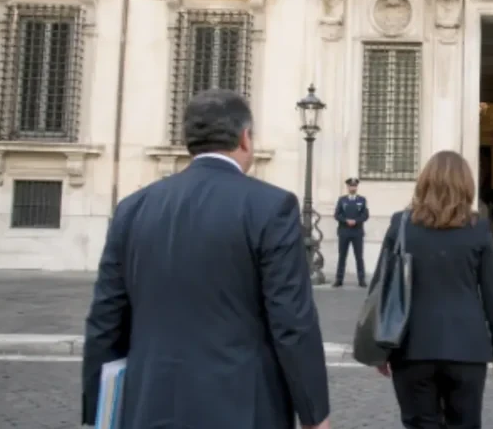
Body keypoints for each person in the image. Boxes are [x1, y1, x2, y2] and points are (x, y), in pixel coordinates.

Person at [81, 89, 330, 429]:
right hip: (241, 406)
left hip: (150, 405)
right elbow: (291, 321)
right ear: (245, 138)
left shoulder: (132, 208)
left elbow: (105, 321)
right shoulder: (271, 207)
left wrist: (96, 411)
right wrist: (314, 413)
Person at [375, 150, 493, 429]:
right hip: (467, 348)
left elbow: (381, 286)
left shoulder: (401, 225)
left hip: (411, 345)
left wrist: (380, 348)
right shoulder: (477, 229)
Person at [333, 177, 370, 287]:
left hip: (357, 232)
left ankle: (361, 279)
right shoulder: (342, 200)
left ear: (356, 187)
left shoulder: (362, 200)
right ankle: (339, 279)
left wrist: (356, 221)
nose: (352, 188)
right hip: (344, 231)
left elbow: (365, 215)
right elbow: (337, 214)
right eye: (351, 186)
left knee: (359, 256)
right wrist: (346, 220)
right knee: (342, 256)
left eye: (354, 186)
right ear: (348, 187)